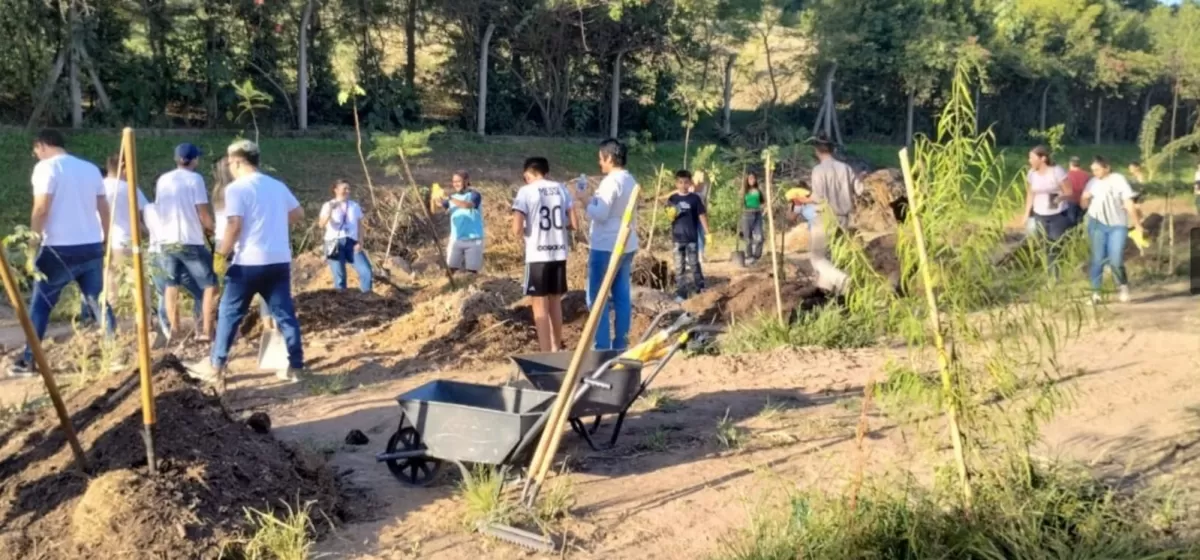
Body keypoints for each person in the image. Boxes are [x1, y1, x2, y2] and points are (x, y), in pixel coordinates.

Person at [187, 140, 306, 386]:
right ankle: (296, 366)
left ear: (238, 161)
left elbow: (234, 225)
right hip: (278, 260)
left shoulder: (237, 189)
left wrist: (220, 255)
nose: (229, 167)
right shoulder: (276, 186)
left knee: (229, 313)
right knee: (284, 314)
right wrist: (271, 220)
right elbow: (298, 215)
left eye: (230, 162)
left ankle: (216, 365)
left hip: (248, 262)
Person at [9, 130, 113, 376]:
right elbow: (104, 209)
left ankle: (29, 359)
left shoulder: (46, 169)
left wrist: (32, 245)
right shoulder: (90, 169)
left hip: (57, 248)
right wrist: (106, 238)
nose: (35, 155)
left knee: (41, 305)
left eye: (35, 150)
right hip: (90, 246)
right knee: (98, 301)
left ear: (43, 145)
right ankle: (114, 353)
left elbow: (41, 208)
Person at [512, 157, 576, 352]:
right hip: (558, 253)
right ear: (546, 172)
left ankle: (545, 351)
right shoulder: (561, 188)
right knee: (555, 302)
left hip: (538, 254)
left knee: (539, 305)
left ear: (527, 174)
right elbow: (574, 223)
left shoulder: (526, 191)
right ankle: (557, 347)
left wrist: (524, 230)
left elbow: (516, 229)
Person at [156, 142, 218, 342]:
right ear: (194, 160)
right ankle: (206, 330)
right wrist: (213, 229)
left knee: (171, 285)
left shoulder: (163, 179)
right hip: (189, 240)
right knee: (210, 285)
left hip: (166, 241)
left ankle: (174, 331)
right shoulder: (195, 180)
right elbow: (202, 212)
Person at [583, 138, 639, 351]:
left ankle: (602, 346)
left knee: (596, 296)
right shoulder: (630, 180)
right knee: (622, 294)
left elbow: (601, 213)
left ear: (609, 158)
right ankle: (621, 344)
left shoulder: (611, 182)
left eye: (601, 159)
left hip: (606, 244)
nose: (600, 163)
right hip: (626, 243)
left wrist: (585, 200)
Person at [796, 140, 857, 295]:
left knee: (816, 257)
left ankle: (842, 279)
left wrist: (803, 199)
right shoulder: (846, 168)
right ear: (832, 150)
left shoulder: (818, 170)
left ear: (817, 152)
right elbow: (859, 190)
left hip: (824, 216)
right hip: (843, 217)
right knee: (835, 256)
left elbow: (818, 197)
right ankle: (828, 292)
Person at [1081, 156, 1143, 304]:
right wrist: (1085, 198)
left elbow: (1128, 202)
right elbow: (1083, 205)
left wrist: (1137, 224)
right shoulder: (1092, 183)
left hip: (1117, 225)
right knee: (1098, 259)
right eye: (1092, 170)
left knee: (1116, 259)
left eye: (1097, 169)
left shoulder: (1118, 180)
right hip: (1096, 225)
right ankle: (1096, 293)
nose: (1094, 172)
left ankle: (1123, 286)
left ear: (1106, 168)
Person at [144, 202, 203, 341]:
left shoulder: (148, 208)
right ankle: (200, 329)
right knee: (200, 291)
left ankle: (169, 332)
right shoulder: (177, 207)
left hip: (154, 254)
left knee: (163, 294)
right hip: (175, 251)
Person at [1022, 145, 1072, 278]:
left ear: (1043, 158)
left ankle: (1058, 273)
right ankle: (1052, 275)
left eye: (1032, 158)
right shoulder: (1031, 174)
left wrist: (1060, 197)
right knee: (1045, 246)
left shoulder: (1057, 171)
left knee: (1056, 245)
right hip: (1040, 214)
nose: (1029, 160)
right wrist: (1026, 213)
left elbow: (1069, 192)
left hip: (1058, 215)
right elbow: (1030, 194)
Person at [319, 179, 373, 292]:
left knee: (366, 271)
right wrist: (330, 211)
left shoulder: (354, 206)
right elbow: (321, 224)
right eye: (344, 189)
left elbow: (359, 225)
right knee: (340, 278)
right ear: (336, 190)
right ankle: (342, 305)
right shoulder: (328, 205)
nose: (347, 191)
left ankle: (367, 298)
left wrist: (361, 241)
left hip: (351, 242)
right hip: (333, 243)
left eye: (349, 189)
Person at [667, 170, 711, 302]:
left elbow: (701, 215)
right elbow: (668, 214)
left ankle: (700, 288)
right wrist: (670, 214)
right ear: (676, 183)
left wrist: (708, 232)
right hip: (677, 238)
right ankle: (681, 293)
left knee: (694, 263)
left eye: (686, 182)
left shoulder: (695, 198)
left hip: (691, 237)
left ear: (690, 183)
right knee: (679, 267)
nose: (683, 185)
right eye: (680, 182)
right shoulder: (673, 199)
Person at [438, 170, 485, 276]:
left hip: (474, 239)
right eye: (454, 181)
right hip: (456, 239)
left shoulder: (474, 195)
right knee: (451, 269)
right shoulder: (452, 198)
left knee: (472, 271)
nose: (456, 184)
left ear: (466, 181)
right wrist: (436, 200)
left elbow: (467, 205)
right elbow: (437, 208)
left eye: (459, 181)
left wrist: (451, 199)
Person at [739, 172, 765, 264]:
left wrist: (763, 210)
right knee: (748, 238)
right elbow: (740, 204)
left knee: (760, 237)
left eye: (753, 178)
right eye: (750, 179)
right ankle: (749, 256)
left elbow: (763, 202)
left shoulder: (758, 190)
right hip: (747, 215)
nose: (752, 180)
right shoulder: (744, 191)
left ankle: (757, 256)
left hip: (757, 214)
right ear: (747, 180)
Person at [1064, 156, 1090, 227]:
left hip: (1070, 201)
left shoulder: (1066, 175)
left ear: (1070, 164)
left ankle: (1072, 236)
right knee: (1080, 222)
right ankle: (1079, 235)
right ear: (1079, 164)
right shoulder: (1086, 175)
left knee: (1070, 222)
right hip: (1083, 201)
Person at [690, 170, 708, 263]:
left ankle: (701, 254)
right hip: (692, 213)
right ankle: (696, 255)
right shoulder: (691, 187)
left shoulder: (704, 186)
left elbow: (705, 200)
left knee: (701, 234)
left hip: (701, 212)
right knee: (695, 234)